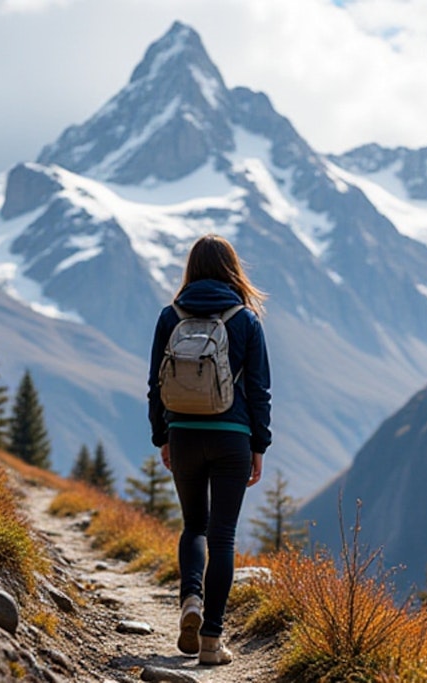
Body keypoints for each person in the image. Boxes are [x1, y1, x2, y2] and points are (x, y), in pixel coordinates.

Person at [147, 233, 272, 665]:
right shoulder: (246, 320)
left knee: (193, 527)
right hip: (232, 437)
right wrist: (260, 445)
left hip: (182, 433)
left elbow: (155, 386)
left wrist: (162, 436)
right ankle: (211, 642)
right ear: (231, 269)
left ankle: (191, 602)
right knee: (223, 537)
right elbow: (258, 390)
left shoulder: (170, 316)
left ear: (192, 269)